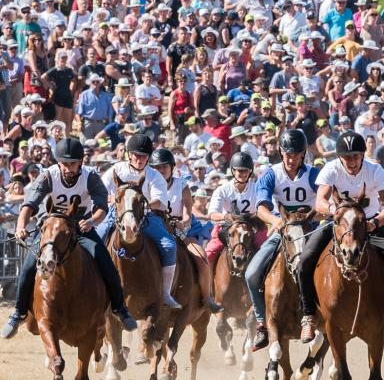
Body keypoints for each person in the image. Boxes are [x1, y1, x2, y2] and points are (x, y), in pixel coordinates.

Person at [1, 139, 137, 338]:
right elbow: (29, 205)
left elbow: (102, 208)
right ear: (58, 163)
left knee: (104, 259)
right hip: (52, 228)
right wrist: (21, 226)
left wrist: (91, 221)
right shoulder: (48, 176)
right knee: (29, 266)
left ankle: (119, 308)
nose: (67, 168)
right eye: (64, 163)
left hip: (81, 226)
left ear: (81, 162)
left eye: (72, 163)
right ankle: (19, 312)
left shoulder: (90, 176)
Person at [297, 132, 384, 342]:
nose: (351, 161)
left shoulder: (375, 170)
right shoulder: (331, 169)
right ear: (340, 157)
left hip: (368, 224)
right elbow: (320, 202)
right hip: (339, 224)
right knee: (305, 262)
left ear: (362, 155)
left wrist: (374, 223)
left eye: (355, 156)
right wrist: (335, 211)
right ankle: (309, 316)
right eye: (347, 157)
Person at [245, 129, 320, 352]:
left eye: (296, 154)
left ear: (303, 154)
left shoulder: (314, 174)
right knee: (251, 274)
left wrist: (314, 215)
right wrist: (275, 221)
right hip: (283, 231)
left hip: (310, 231)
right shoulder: (271, 174)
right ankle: (261, 323)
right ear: (281, 152)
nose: (291, 158)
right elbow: (260, 208)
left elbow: (325, 199)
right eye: (287, 154)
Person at [97, 134, 182, 310]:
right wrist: (115, 201)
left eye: (144, 156)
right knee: (95, 241)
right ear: (129, 154)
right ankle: (93, 289)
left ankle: (165, 292)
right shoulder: (116, 170)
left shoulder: (154, 175)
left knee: (169, 246)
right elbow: (100, 192)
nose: (140, 159)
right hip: (116, 213)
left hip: (147, 215)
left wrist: (137, 205)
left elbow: (159, 202)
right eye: (137, 155)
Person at [148, 149, 221, 314]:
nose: (160, 170)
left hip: (177, 230)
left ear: (172, 167)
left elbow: (188, 212)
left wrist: (184, 222)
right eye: (156, 167)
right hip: (153, 229)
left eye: (164, 167)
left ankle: (206, 297)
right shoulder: (146, 183)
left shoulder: (181, 185)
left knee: (202, 257)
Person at [205, 152, 268, 271]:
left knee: (267, 251)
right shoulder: (222, 190)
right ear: (233, 171)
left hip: (253, 227)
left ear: (250, 171)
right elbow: (212, 214)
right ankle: (207, 286)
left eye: (245, 171)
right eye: (239, 171)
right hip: (227, 227)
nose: (242, 174)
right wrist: (226, 216)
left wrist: (252, 216)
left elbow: (266, 209)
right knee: (209, 255)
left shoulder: (257, 188)